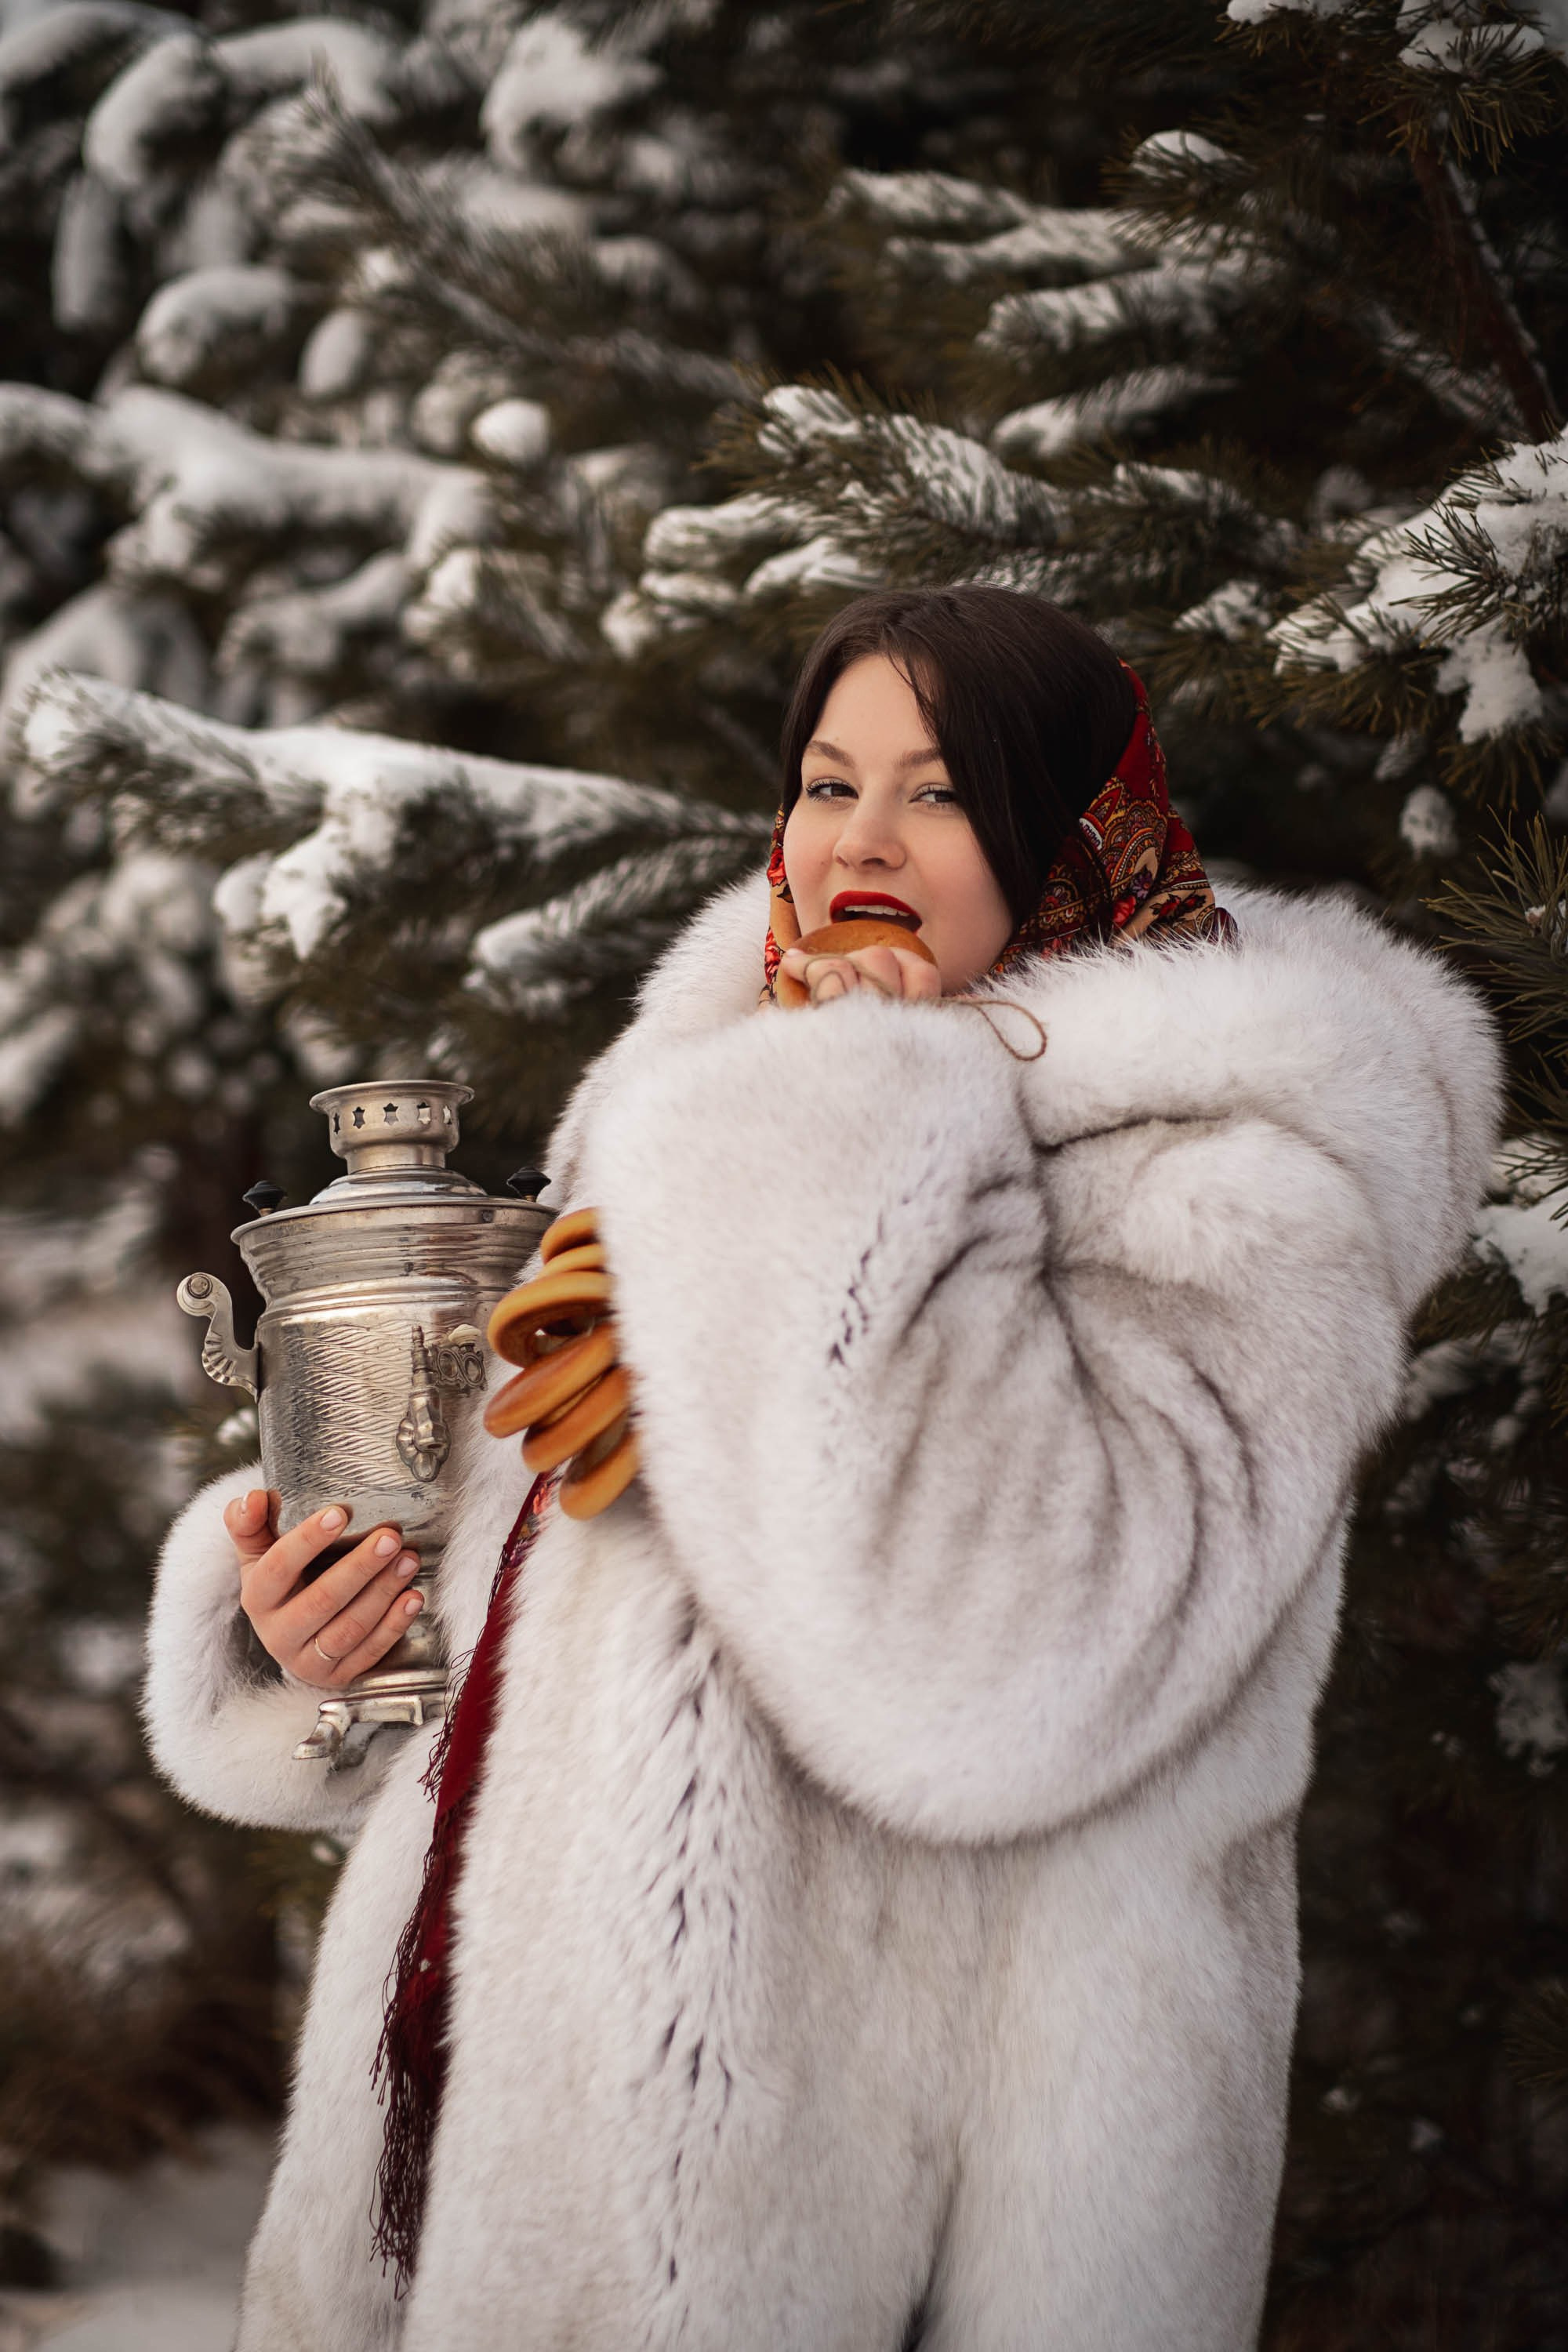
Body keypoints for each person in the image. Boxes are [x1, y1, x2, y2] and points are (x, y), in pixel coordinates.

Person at [143, 586, 1501, 2352]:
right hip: (518, 2158)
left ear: (1069, 830)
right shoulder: (711, 1089)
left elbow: (995, 1677)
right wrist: (317, 1639)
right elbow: (567, 1619)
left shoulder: (1230, 1194)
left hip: (913, 2237)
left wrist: (858, 1106)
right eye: (827, 782)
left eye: (940, 793)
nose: (859, 840)